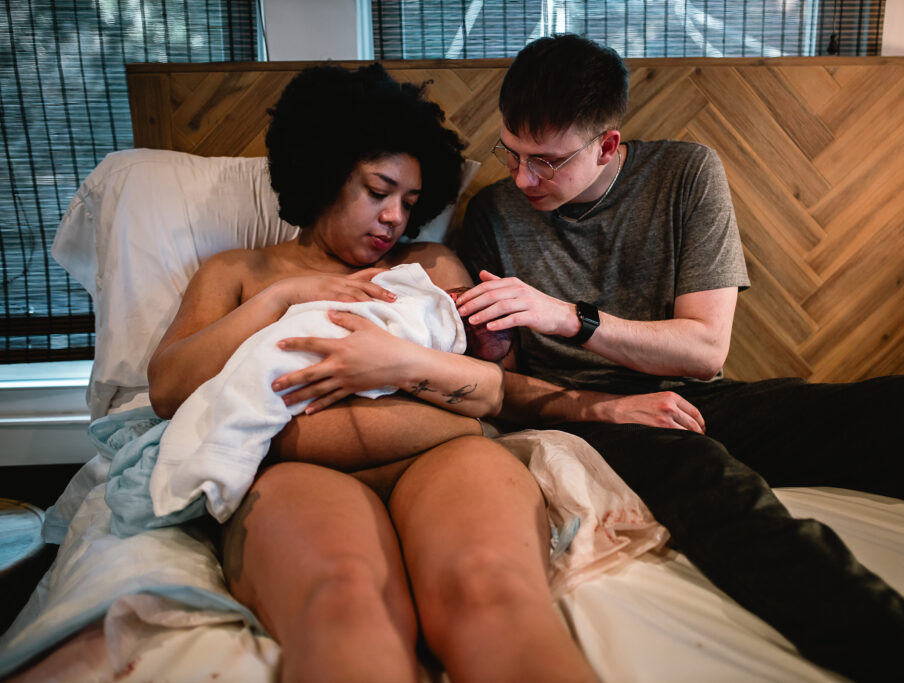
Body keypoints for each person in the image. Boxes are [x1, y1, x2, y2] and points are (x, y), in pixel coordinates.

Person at [454, 34, 904, 683]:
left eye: (548, 161)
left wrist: (568, 316)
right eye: (513, 152)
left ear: (607, 145)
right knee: (700, 467)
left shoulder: (684, 174)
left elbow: (703, 351)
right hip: (582, 417)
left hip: (698, 395)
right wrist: (573, 385)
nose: (523, 177)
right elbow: (495, 382)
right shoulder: (492, 213)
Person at [147, 63, 595, 683]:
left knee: (490, 589)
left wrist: (443, 357)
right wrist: (281, 300)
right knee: (342, 599)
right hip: (303, 475)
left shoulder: (429, 263)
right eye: (378, 190)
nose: (393, 218)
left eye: (409, 203)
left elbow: (495, 386)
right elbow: (169, 389)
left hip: (444, 461)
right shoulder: (238, 272)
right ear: (324, 173)